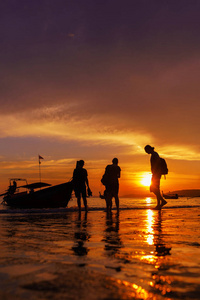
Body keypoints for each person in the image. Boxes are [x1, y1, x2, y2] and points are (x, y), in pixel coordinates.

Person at [144, 145, 167, 209]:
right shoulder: (154, 154)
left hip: (156, 173)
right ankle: (159, 205)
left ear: (149, 149)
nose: (146, 152)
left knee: (153, 188)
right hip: (156, 173)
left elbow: (158, 162)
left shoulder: (154, 154)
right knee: (157, 189)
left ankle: (162, 201)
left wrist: (155, 171)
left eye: (146, 150)